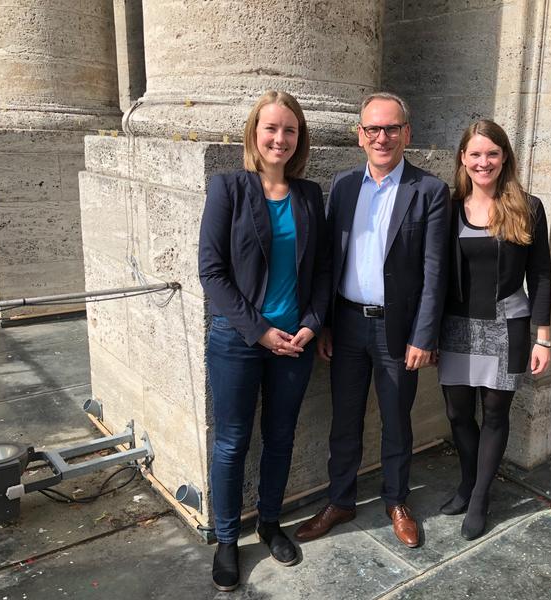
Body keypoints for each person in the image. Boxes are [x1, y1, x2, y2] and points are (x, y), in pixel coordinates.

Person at [294, 92, 450, 548]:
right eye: (373, 129)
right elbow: (328, 261)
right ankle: (340, 500)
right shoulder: (342, 186)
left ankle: (397, 499)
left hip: (398, 331)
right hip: (345, 326)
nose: (383, 137)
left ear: (408, 133)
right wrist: (323, 323)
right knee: (344, 419)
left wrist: (424, 335)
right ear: (359, 135)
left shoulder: (430, 191)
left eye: (392, 128)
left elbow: (435, 272)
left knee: (397, 419)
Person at [198, 90, 330, 591]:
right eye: (271, 128)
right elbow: (211, 272)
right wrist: (260, 330)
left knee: (280, 437)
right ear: (255, 133)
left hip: (294, 342)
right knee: (232, 442)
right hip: (238, 338)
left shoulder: (309, 195)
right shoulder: (228, 189)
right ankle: (228, 540)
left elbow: (322, 270)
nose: (280, 138)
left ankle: (269, 523)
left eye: (290, 130)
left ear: (300, 139)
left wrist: (311, 323)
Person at [437, 120, 551, 540]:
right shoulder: (448, 208)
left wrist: (543, 337)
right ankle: (468, 481)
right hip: (455, 326)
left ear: (504, 158)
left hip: (508, 326)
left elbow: (541, 275)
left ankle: (481, 496)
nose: (483, 162)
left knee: (495, 414)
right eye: (475, 154)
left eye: (492, 154)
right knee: (457, 413)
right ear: (463, 160)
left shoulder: (529, 207)